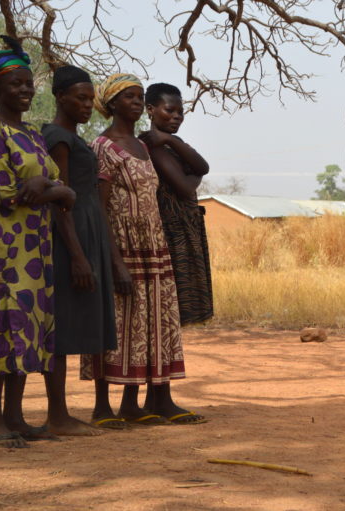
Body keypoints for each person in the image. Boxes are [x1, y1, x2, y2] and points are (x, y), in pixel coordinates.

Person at [80, 73, 196, 425]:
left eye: (138, 96)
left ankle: (135, 403)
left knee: (148, 323)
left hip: (152, 245)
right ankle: (102, 407)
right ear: (112, 103)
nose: (135, 102)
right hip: (121, 246)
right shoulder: (102, 147)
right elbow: (100, 208)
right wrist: (115, 262)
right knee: (113, 323)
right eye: (129, 97)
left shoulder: (144, 147)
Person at [0, 36, 76, 448]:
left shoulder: (30, 132)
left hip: (35, 249)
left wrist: (46, 185)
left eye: (29, 84)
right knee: (2, 330)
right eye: (16, 84)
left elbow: (56, 187)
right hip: (4, 250)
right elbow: (8, 194)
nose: (25, 90)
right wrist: (52, 189)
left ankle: (16, 418)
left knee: (27, 330)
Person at [41, 65, 118, 434]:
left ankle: (62, 413)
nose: (89, 105)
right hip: (71, 240)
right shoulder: (58, 137)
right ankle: (57, 415)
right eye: (81, 98)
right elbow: (60, 202)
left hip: (87, 234)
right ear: (60, 98)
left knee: (74, 322)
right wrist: (76, 256)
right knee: (61, 325)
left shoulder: (74, 136)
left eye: (91, 98)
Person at [138, 83, 211, 424]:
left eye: (180, 112)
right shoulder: (149, 147)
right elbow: (185, 185)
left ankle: (160, 396)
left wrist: (172, 141)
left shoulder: (165, 144)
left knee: (170, 320)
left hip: (182, 234)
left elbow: (202, 167)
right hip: (166, 237)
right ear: (150, 109)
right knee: (164, 318)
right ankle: (158, 397)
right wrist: (183, 162)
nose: (176, 116)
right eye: (169, 110)